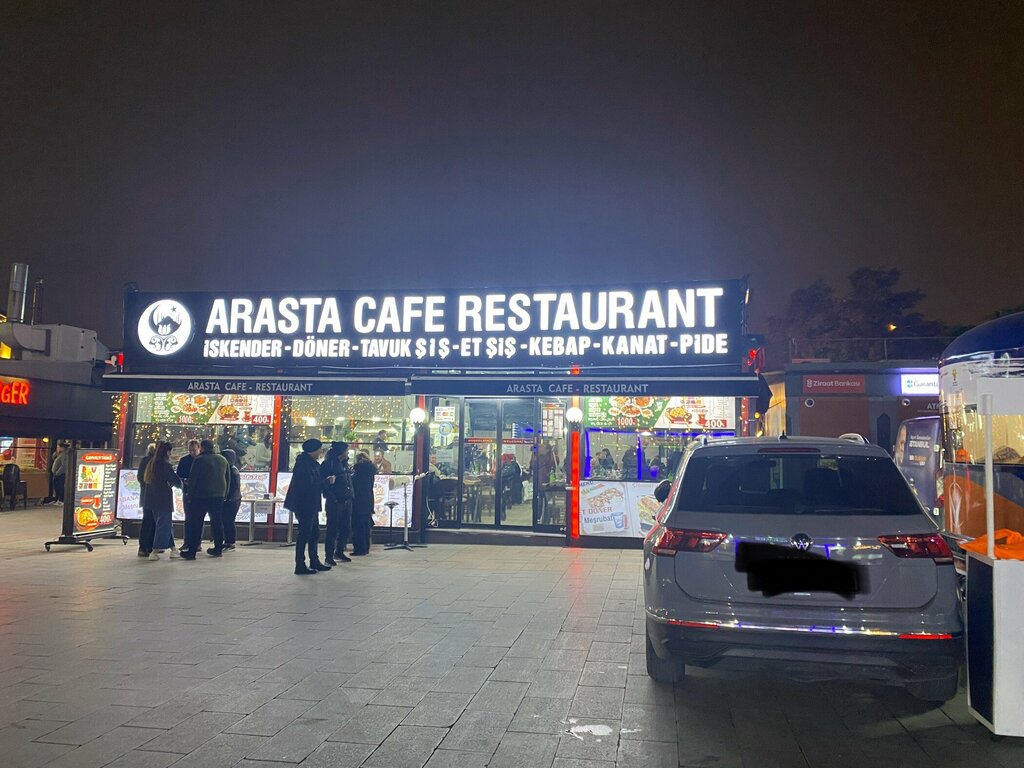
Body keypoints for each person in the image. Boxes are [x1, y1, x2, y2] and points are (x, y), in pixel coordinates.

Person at [284, 438, 333, 575]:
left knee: (314, 533)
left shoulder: (311, 464)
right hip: (304, 504)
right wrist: (327, 482)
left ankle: (314, 560)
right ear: (313, 450)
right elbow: (310, 486)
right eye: (319, 450)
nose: (320, 452)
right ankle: (300, 564)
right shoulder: (304, 465)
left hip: (311, 503)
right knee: (304, 534)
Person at [183, 439, 230, 560]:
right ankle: (218, 549)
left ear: (202, 448)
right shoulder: (223, 460)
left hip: (201, 496)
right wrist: (225, 494)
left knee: (196, 523)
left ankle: (192, 551)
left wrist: (189, 495)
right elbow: (228, 478)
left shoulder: (199, 460)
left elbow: (193, 479)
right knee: (217, 523)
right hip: (218, 496)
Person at [142, 442, 182, 560]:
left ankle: (173, 549)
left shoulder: (152, 464)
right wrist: (183, 485)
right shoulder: (165, 466)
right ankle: (155, 551)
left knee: (165, 523)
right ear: (168, 452)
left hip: (151, 499)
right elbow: (176, 481)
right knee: (164, 524)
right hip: (163, 498)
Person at [321, 441, 353, 565]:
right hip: (335, 501)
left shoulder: (344, 464)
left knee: (345, 528)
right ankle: (328, 556)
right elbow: (324, 484)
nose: (348, 453)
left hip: (346, 500)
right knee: (332, 529)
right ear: (341, 452)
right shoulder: (328, 464)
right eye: (346, 450)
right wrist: (332, 498)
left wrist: (351, 496)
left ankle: (339, 551)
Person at [350, 451, 377, 556]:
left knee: (358, 526)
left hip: (358, 502)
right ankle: (365, 547)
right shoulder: (370, 471)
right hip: (368, 500)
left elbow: (356, 488)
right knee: (365, 526)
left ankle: (359, 549)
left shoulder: (358, 472)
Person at [136, 443, 157, 557]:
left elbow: (140, 478)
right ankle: (147, 546)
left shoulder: (145, 460)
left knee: (148, 521)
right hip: (151, 496)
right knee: (151, 521)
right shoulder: (153, 461)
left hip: (146, 496)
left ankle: (145, 547)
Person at [219, 448, 242, 552]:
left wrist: (227, 497)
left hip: (232, 500)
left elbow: (233, 487)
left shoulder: (232, 470)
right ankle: (227, 542)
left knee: (228, 521)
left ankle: (230, 542)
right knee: (226, 521)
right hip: (232, 499)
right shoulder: (231, 468)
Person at [51, 442, 70, 506]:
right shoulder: (60, 454)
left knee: (60, 487)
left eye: (58, 447)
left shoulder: (64, 455)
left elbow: (63, 465)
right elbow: (53, 457)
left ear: (62, 448)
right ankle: (57, 499)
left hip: (60, 474)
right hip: (57, 474)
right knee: (56, 487)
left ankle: (61, 500)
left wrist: (57, 473)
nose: (58, 449)